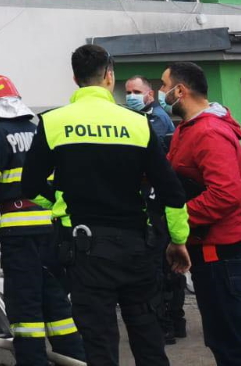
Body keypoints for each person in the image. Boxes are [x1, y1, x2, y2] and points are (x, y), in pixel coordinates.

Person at [21, 44, 190, 366]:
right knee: (148, 339)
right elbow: (172, 191)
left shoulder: (54, 123)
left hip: (85, 251)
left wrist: (60, 200)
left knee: (99, 344)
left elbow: (29, 186)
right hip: (137, 249)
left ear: (75, 78)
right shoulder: (137, 124)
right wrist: (179, 240)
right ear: (109, 77)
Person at [162, 61, 241, 366]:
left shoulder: (208, 132)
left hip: (222, 253)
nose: (162, 92)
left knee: (227, 341)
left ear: (181, 91)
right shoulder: (188, 130)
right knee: (240, 327)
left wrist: (180, 219)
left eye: (165, 86)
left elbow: (225, 194)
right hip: (214, 249)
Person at [0, 75, 85, 366]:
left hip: (19, 232)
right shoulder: (38, 129)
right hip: (51, 229)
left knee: (25, 308)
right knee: (57, 305)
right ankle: (74, 360)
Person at [124, 75, 185, 344]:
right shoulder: (140, 118)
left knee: (162, 268)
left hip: (158, 202)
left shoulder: (156, 120)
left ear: (149, 94)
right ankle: (174, 322)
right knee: (165, 268)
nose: (131, 96)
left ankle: (167, 325)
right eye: (128, 91)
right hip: (153, 200)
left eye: (136, 91)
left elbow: (154, 164)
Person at [124, 75, 175, 141]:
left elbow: (151, 145)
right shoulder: (139, 112)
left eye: (137, 92)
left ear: (150, 94)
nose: (131, 96)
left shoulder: (157, 116)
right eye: (128, 93)